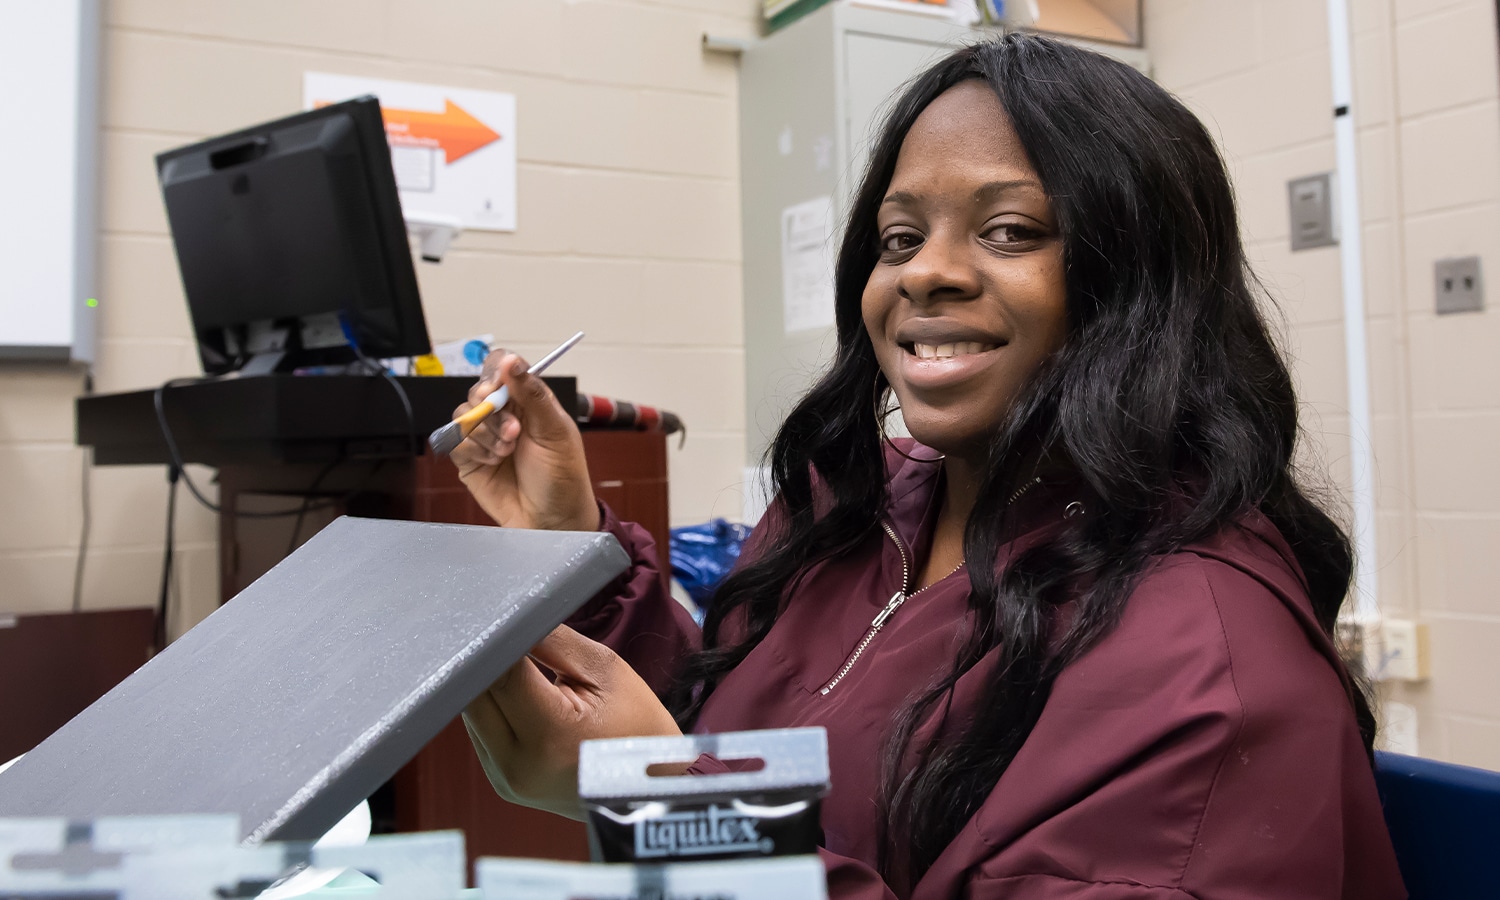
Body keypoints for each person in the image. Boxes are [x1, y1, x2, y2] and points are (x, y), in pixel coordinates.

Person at [452, 34, 1406, 899]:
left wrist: (665, 806)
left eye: (1011, 231)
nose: (921, 273)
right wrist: (573, 545)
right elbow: (724, 730)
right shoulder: (848, 511)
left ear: (1143, 285)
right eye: (899, 238)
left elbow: (689, 777)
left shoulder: (1204, 668)